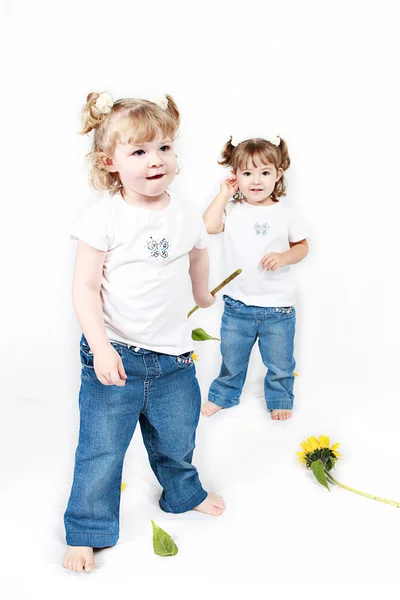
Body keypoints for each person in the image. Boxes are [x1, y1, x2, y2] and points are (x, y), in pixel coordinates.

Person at [64, 91, 225, 573]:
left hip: (174, 357)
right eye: (139, 152)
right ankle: (88, 529)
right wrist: (100, 348)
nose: (156, 161)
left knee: (178, 434)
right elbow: (85, 287)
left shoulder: (184, 210)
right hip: (116, 353)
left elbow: (198, 251)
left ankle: (181, 492)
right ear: (109, 162)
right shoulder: (104, 216)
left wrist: (201, 293)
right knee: (102, 447)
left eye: (165, 148)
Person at [202, 134, 308, 421]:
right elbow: (210, 226)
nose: (256, 180)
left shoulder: (286, 212)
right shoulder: (234, 209)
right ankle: (224, 395)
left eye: (265, 172)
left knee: (280, 361)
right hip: (238, 304)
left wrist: (284, 257)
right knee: (232, 357)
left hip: (278, 307)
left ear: (278, 174)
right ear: (235, 175)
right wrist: (224, 193)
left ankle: (280, 397)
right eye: (247, 173)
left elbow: (301, 246)